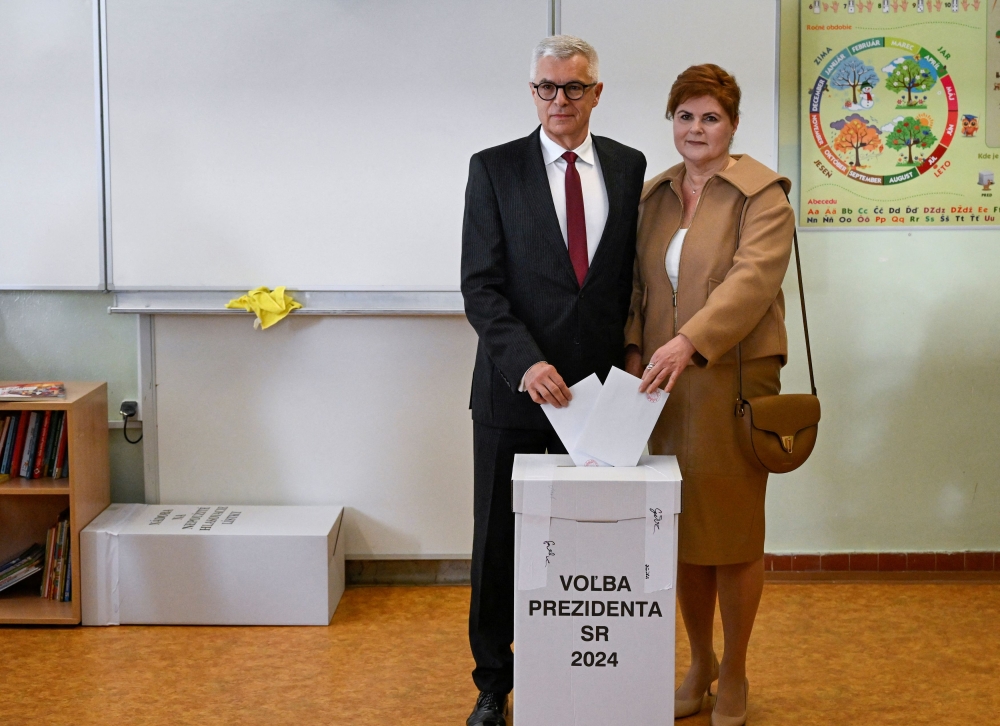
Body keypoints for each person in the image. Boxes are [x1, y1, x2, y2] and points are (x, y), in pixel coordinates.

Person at [460, 35, 646, 726]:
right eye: (546, 87)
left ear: (597, 92)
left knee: (590, 538)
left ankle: (580, 671)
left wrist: (633, 356)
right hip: (514, 392)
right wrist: (525, 362)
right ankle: (492, 685)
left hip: (599, 397)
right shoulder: (494, 168)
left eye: (573, 87)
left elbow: (629, 278)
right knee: (498, 544)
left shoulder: (629, 166)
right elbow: (480, 286)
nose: (558, 100)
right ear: (532, 91)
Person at [623, 64, 794, 726]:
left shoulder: (762, 195)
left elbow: (752, 282)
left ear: (734, 124)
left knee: (733, 532)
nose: (696, 129)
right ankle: (700, 663)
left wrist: (689, 341)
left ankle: (737, 672)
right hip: (662, 385)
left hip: (732, 380)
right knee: (681, 531)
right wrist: (635, 351)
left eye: (711, 117)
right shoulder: (654, 196)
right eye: (685, 116)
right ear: (672, 122)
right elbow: (636, 289)